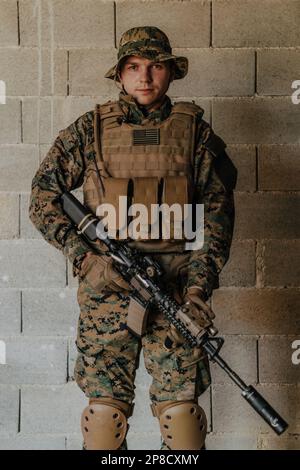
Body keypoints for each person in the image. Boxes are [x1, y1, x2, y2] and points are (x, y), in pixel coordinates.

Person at [29, 26, 237, 450]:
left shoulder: (196, 136)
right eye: (134, 67)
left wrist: (198, 288)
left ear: (170, 73)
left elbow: (216, 218)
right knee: (104, 423)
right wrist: (86, 260)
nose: (145, 77)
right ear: (120, 74)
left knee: (183, 424)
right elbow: (42, 196)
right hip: (107, 296)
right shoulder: (90, 131)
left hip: (176, 296)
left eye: (155, 66)